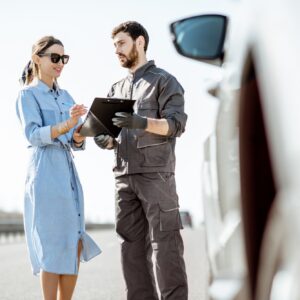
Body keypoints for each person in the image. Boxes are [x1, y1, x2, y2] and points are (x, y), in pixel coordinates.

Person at [94, 21, 188, 300]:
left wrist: (140, 122)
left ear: (140, 42)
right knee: (131, 249)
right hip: (123, 177)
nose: (117, 51)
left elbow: (175, 125)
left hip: (156, 176)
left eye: (121, 43)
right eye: (114, 47)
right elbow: (106, 135)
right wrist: (104, 139)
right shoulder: (116, 88)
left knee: (166, 245)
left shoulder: (165, 81)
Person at [16, 36, 101, 300]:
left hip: (67, 170)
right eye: (55, 57)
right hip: (45, 173)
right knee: (53, 244)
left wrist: (80, 133)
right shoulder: (27, 95)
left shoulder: (66, 96)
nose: (60, 63)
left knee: (73, 240)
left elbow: (74, 139)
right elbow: (32, 135)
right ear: (37, 59)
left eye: (64, 58)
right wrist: (66, 126)